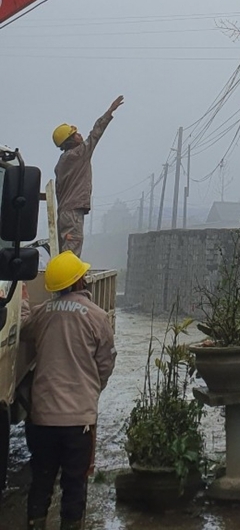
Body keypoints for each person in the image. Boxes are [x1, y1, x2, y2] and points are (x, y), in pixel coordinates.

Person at [21, 250, 116, 530]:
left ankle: (35, 522)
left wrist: (24, 303)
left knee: (41, 481)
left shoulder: (42, 314)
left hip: (43, 419)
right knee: (74, 486)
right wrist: (91, 390)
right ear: (79, 282)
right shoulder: (98, 318)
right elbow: (106, 364)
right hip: (78, 423)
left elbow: (24, 329)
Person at [53, 96, 124, 257]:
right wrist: (110, 111)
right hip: (72, 213)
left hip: (64, 213)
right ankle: (72, 281)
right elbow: (95, 134)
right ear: (70, 140)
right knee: (71, 254)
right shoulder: (79, 154)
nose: (80, 135)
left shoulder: (61, 162)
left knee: (64, 253)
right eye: (76, 134)